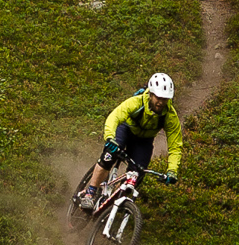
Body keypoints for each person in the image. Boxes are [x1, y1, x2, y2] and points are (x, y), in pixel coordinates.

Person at [76, 73, 181, 209]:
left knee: (137, 175)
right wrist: (109, 138)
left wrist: (172, 170)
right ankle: (90, 194)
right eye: (158, 97)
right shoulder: (136, 102)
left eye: (165, 99)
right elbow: (114, 117)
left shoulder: (170, 116)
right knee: (109, 156)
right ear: (151, 94)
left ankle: (111, 206)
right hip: (125, 130)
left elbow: (175, 146)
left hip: (143, 141)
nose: (161, 102)